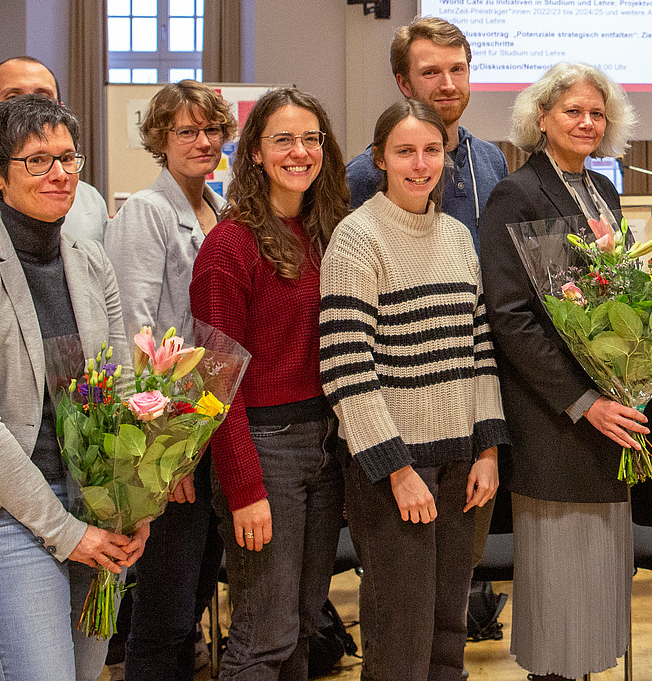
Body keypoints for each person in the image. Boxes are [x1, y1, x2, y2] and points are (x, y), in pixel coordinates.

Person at [0, 95, 142, 680]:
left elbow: (116, 393)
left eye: (68, 158)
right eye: (38, 161)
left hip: (92, 503)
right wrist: (64, 531)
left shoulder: (92, 262)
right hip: (6, 512)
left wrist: (133, 502)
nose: (61, 174)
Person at [321, 100, 509, 681]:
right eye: (405, 151)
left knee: (450, 632)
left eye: (432, 150)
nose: (420, 164)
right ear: (379, 159)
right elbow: (346, 368)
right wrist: (398, 471)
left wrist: (488, 451)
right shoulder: (356, 240)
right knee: (401, 639)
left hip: (463, 466)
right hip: (394, 471)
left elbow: (480, 347)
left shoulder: (456, 236)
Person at [478, 63, 641, 681]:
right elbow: (512, 319)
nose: (587, 122)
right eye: (573, 110)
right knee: (557, 591)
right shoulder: (515, 194)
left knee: (596, 588)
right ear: (540, 118)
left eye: (597, 113)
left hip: (608, 412)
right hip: (555, 419)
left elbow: (617, 298)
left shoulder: (604, 192)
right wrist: (581, 400)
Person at [190, 87, 350, 681]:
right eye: (283, 139)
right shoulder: (229, 247)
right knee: (264, 636)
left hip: (323, 444)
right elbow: (213, 386)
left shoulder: (328, 232)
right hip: (263, 449)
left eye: (312, 139)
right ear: (254, 152)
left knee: (305, 627)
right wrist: (244, 488)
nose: (300, 151)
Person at [106, 80, 236, 681]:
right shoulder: (146, 213)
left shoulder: (221, 208)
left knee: (198, 588)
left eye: (212, 129)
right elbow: (131, 330)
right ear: (160, 140)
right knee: (163, 609)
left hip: (215, 423)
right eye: (187, 131)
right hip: (170, 438)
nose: (203, 141)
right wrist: (162, 450)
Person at [345, 17, 509, 247]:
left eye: (457, 69)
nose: (449, 85)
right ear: (404, 84)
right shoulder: (367, 172)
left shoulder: (490, 160)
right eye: (431, 73)